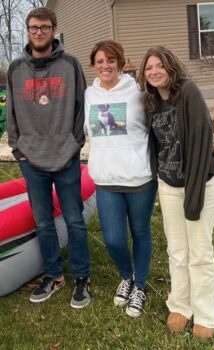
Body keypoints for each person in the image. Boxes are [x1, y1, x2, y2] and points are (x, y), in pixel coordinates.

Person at [7, 7, 90, 309]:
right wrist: (18, 149)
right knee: (43, 222)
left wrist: (74, 143)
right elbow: (12, 113)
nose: (38, 32)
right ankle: (54, 274)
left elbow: (82, 106)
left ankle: (82, 277)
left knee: (74, 220)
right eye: (33, 27)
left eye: (44, 27)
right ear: (27, 31)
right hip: (32, 159)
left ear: (54, 29)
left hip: (66, 156)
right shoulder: (16, 69)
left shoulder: (70, 65)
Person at [138, 46, 214, 338]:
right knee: (177, 250)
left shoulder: (188, 92)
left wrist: (194, 195)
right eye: (149, 68)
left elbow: (201, 142)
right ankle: (181, 305)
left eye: (159, 66)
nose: (154, 72)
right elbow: (155, 145)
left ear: (171, 67)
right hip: (170, 185)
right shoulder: (151, 101)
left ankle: (207, 313)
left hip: (200, 182)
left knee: (199, 252)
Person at [84, 40, 158, 317]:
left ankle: (140, 285)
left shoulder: (138, 91)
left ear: (120, 63)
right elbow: (86, 132)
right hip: (106, 179)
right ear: (94, 64)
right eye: (100, 61)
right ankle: (126, 276)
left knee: (140, 233)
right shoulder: (89, 94)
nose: (106, 66)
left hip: (139, 179)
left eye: (111, 60)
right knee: (114, 239)